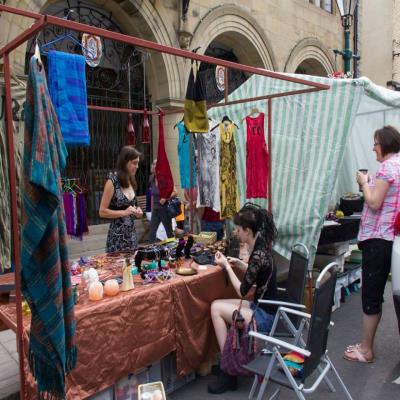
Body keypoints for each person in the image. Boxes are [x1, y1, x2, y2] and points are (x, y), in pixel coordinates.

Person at [343, 125, 400, 363]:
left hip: (379, 239)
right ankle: (366, 346)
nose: (373, 147)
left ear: (384, 144)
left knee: (371, 295)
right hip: (389, 239)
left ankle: (366, 350)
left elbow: (374, 202)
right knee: (385, 294)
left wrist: (364, 182)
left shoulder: (388, 167)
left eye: (375, 143)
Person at [207, 204, 278, 394]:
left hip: (264, 316)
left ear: (247, 231)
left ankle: (227, 371)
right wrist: (238, 262)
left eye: (238, 230)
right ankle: (227, 364)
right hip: (264, 307)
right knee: (216, 305)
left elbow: (242, 290)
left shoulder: (258, 255)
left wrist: (227, 267)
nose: (236, 233)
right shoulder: (261, 245)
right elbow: (257, 274)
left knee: (215, 309)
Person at [99, 146, 143, 253]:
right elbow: (102, 212)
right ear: (125, 162)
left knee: (132, 268)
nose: (137, 166)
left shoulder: (131, 180)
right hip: (117, 238)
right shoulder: (112, 181)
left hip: (131, 236)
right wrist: (124, 212)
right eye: (134, 163)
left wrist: (138, 211)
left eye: (138, 163)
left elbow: (132, 206)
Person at [148, 159, 178, 243]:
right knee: (152, 233)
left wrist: (165, 198)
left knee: (169, 233)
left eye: (156, 164)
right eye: (153, 164)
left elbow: (175, 192)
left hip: (165, 210)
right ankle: (151, 252)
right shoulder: (152, 179)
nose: (154, 166)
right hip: (156, 210)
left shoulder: (165, 178)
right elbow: (153, 195)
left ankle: (173, 251)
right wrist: (151, 209)